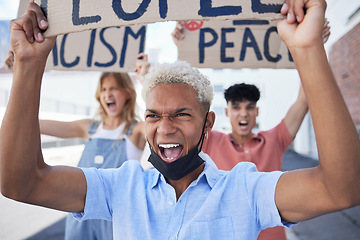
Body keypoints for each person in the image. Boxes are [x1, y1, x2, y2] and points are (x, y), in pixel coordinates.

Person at [1, 0, 360, 239]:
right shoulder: (120, 189)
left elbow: (342, 188)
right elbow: (22, 184)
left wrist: (307, 49)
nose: (165, 127)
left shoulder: (246, 191)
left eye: (182, 115)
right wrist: (29, 66)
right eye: (153, 115)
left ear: (208, 124)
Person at [39, 59, 148, 239]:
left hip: (116, 217)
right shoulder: (89, 128)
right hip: (80, 216)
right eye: (104, 89)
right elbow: (35, 125)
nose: (107, 94)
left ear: (128, 93)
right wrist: (22, 71)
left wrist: (144, 81)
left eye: (113, 88)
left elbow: (158, 126)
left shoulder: (135, 131)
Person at [202, 83, 307, 240]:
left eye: (250, 107)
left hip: (271, 235)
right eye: (236, 107)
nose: (244, 113)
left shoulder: (274, 139)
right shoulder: (210, 141)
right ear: (226, 112)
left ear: (257, 111)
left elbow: (303, 102)